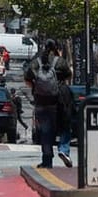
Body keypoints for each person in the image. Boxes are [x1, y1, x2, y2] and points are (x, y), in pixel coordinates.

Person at [24, 39, 72, 169]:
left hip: (42, 101)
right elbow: (69, 75)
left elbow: (27, 79)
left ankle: (47, 160)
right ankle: (64, 150)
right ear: (56, 48)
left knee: (45, 132)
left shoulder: (36, 63)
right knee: (65, 127)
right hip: (59, 101)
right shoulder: (60, 61)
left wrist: (37, 88)